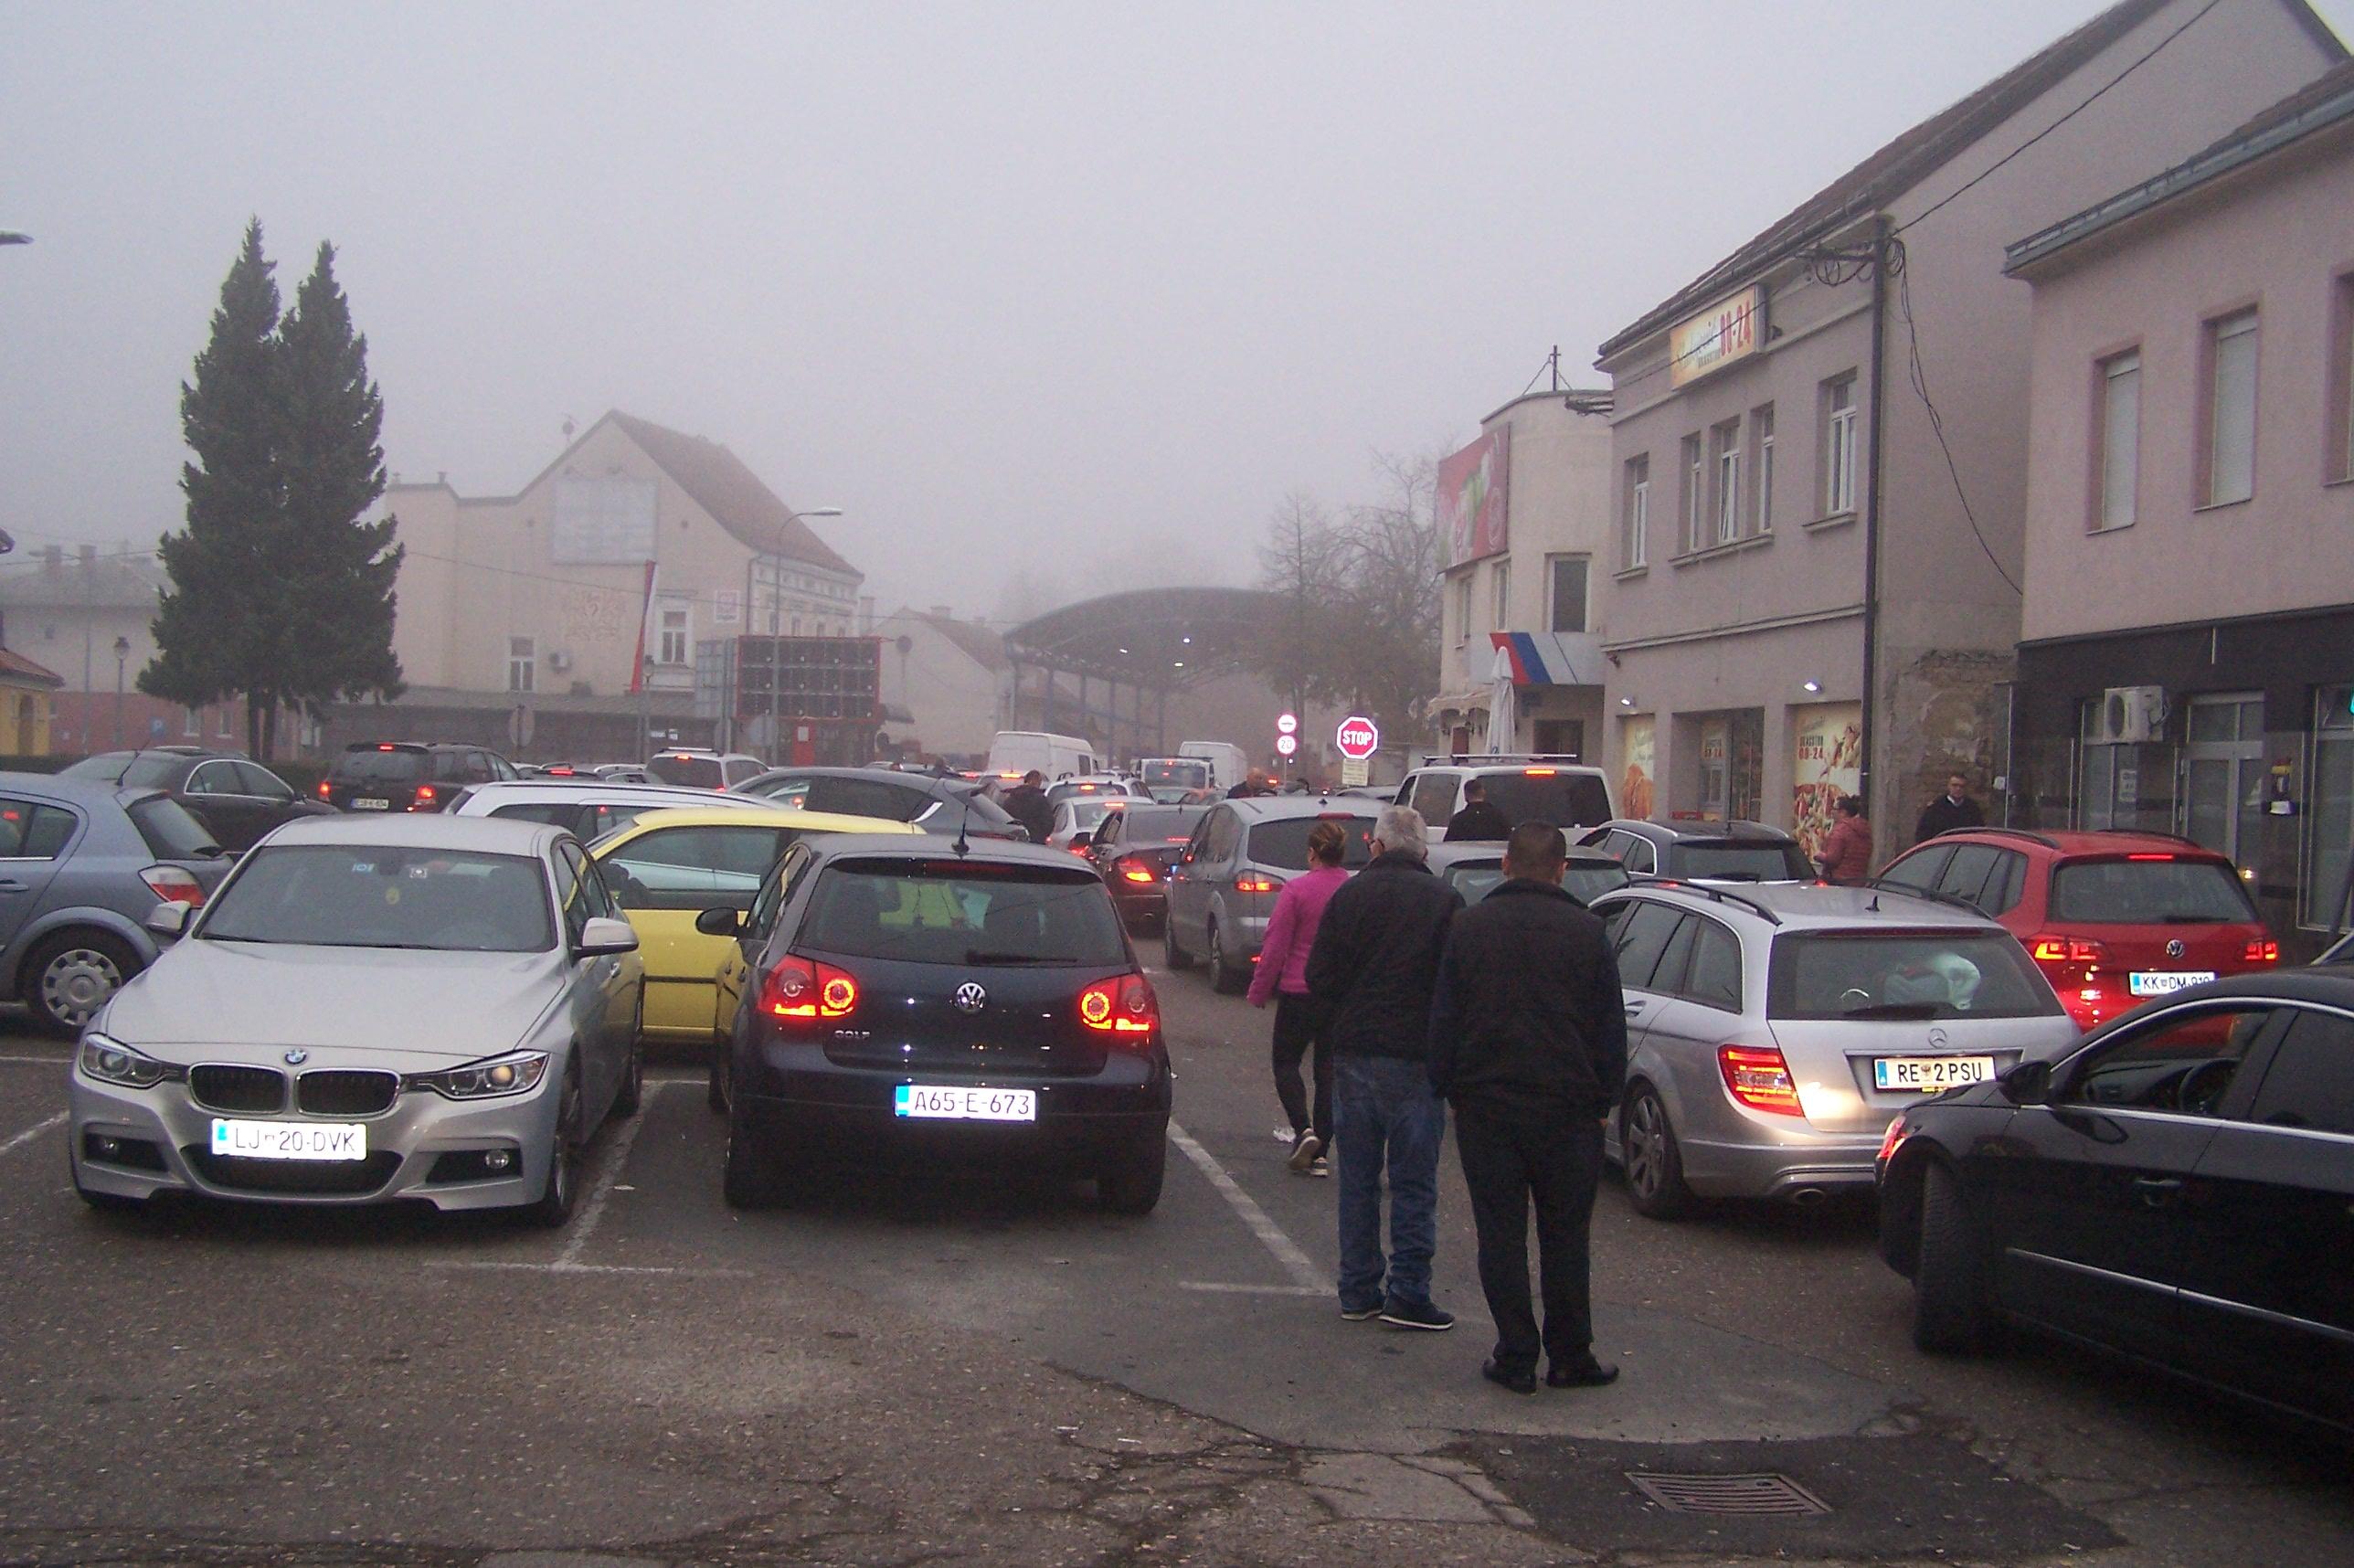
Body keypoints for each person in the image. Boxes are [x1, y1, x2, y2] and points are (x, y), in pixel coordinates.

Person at [1427, 821, 1627, 1394]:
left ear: (1506, 865)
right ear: (1562, 869)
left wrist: (1446, 1088)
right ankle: (1570, 1355)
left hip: (1488, 1106)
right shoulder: (1588, 933)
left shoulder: (1469, 929)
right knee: (1566, 1236)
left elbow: (1445, 1017)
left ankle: (1516, 1354)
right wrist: (1604, 1100)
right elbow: (1609, 1027)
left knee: (1502, 1235)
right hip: (1568, 1111)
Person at [1305, 804, 1465, 1330]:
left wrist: (1344, 1018)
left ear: (1375, 845)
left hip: (1354, 1052)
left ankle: (1357, 1289)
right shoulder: (1445, 901)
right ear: (1423, 850)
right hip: (1418, 1057)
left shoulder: (1349, 897)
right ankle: (1409, 1293)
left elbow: (1319, 975)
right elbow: (1458, 986)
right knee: (1414, 1181)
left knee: (1358, 1178)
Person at [1248, 819, 1350, 1176]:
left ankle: (1302, 1128)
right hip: (1338, 994)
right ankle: (1321, 1151)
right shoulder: (1351, 890)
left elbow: (1276, 945)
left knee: (1286, 1063)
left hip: (1298, 991)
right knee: (1328, 1073)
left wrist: (1260, 989)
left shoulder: (1297, 891)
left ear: (1311, 853)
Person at [1815, 795, 1873, 885]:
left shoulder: (1840, 831)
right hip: (1859, 881)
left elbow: (1833, 859)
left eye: (1834, 808)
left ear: (1843, 812)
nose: (1831, 811)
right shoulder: (1864, 831)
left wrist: (1819, 855)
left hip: (1839, 881)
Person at [1914, 773, 1985, 844]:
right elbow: (1923, 834)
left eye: (1962, 786)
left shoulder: (1972, 808)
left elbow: (1979, 832)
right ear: (1948, 786)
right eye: (1954, 785)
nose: (1958, 789)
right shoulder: (1936, 808)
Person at [1444, 779, 1512, 842]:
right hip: (1493, 854)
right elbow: (1509, 840)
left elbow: (1449, 845)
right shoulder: (1499, 816)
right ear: (1483, 792)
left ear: (1466, 796)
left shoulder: (1458, 820)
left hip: (1467, 854)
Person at [1002, 769, 1054, 845]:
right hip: (1036, 842)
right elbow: (1048, 822)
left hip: (1013, 841)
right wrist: (1041, 836)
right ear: (1036, 781)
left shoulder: (1011, 799)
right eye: (1039, 782)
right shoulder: (1040, 800)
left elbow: (1004, 820)